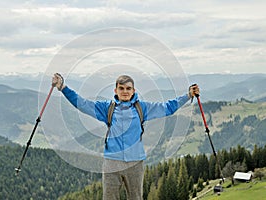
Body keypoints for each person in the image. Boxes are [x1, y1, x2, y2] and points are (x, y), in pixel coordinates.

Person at [52, 73, 199, 200]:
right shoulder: (107, 108)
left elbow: (168, 107)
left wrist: (188, 95)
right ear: (115, 90)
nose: (125, 91)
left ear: (134, 90)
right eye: (121, 88)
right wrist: (63, 87)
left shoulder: (143, 108)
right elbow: (82, 104)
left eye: (128, 88)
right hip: (111, 162)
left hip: (135, 162)